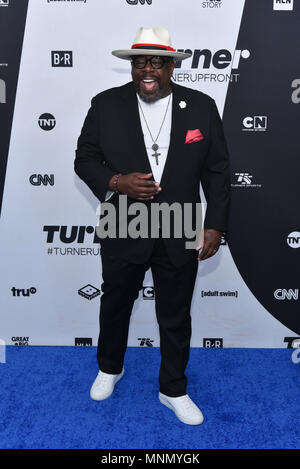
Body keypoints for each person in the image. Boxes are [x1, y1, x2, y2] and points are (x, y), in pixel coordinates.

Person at [74, 27, 230, 426]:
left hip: (180, 223)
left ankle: (173, 389)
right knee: (114, 304)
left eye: (157, 62)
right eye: (139, 62)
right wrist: (115, 182)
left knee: (175, 314)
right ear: (131, 66)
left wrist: (214, 224)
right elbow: (85, 159)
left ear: (171, 66)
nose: (147, 70)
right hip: (123, 218)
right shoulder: (105, 105)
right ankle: (110, 368)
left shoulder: (201, 106)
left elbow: (217, 172)